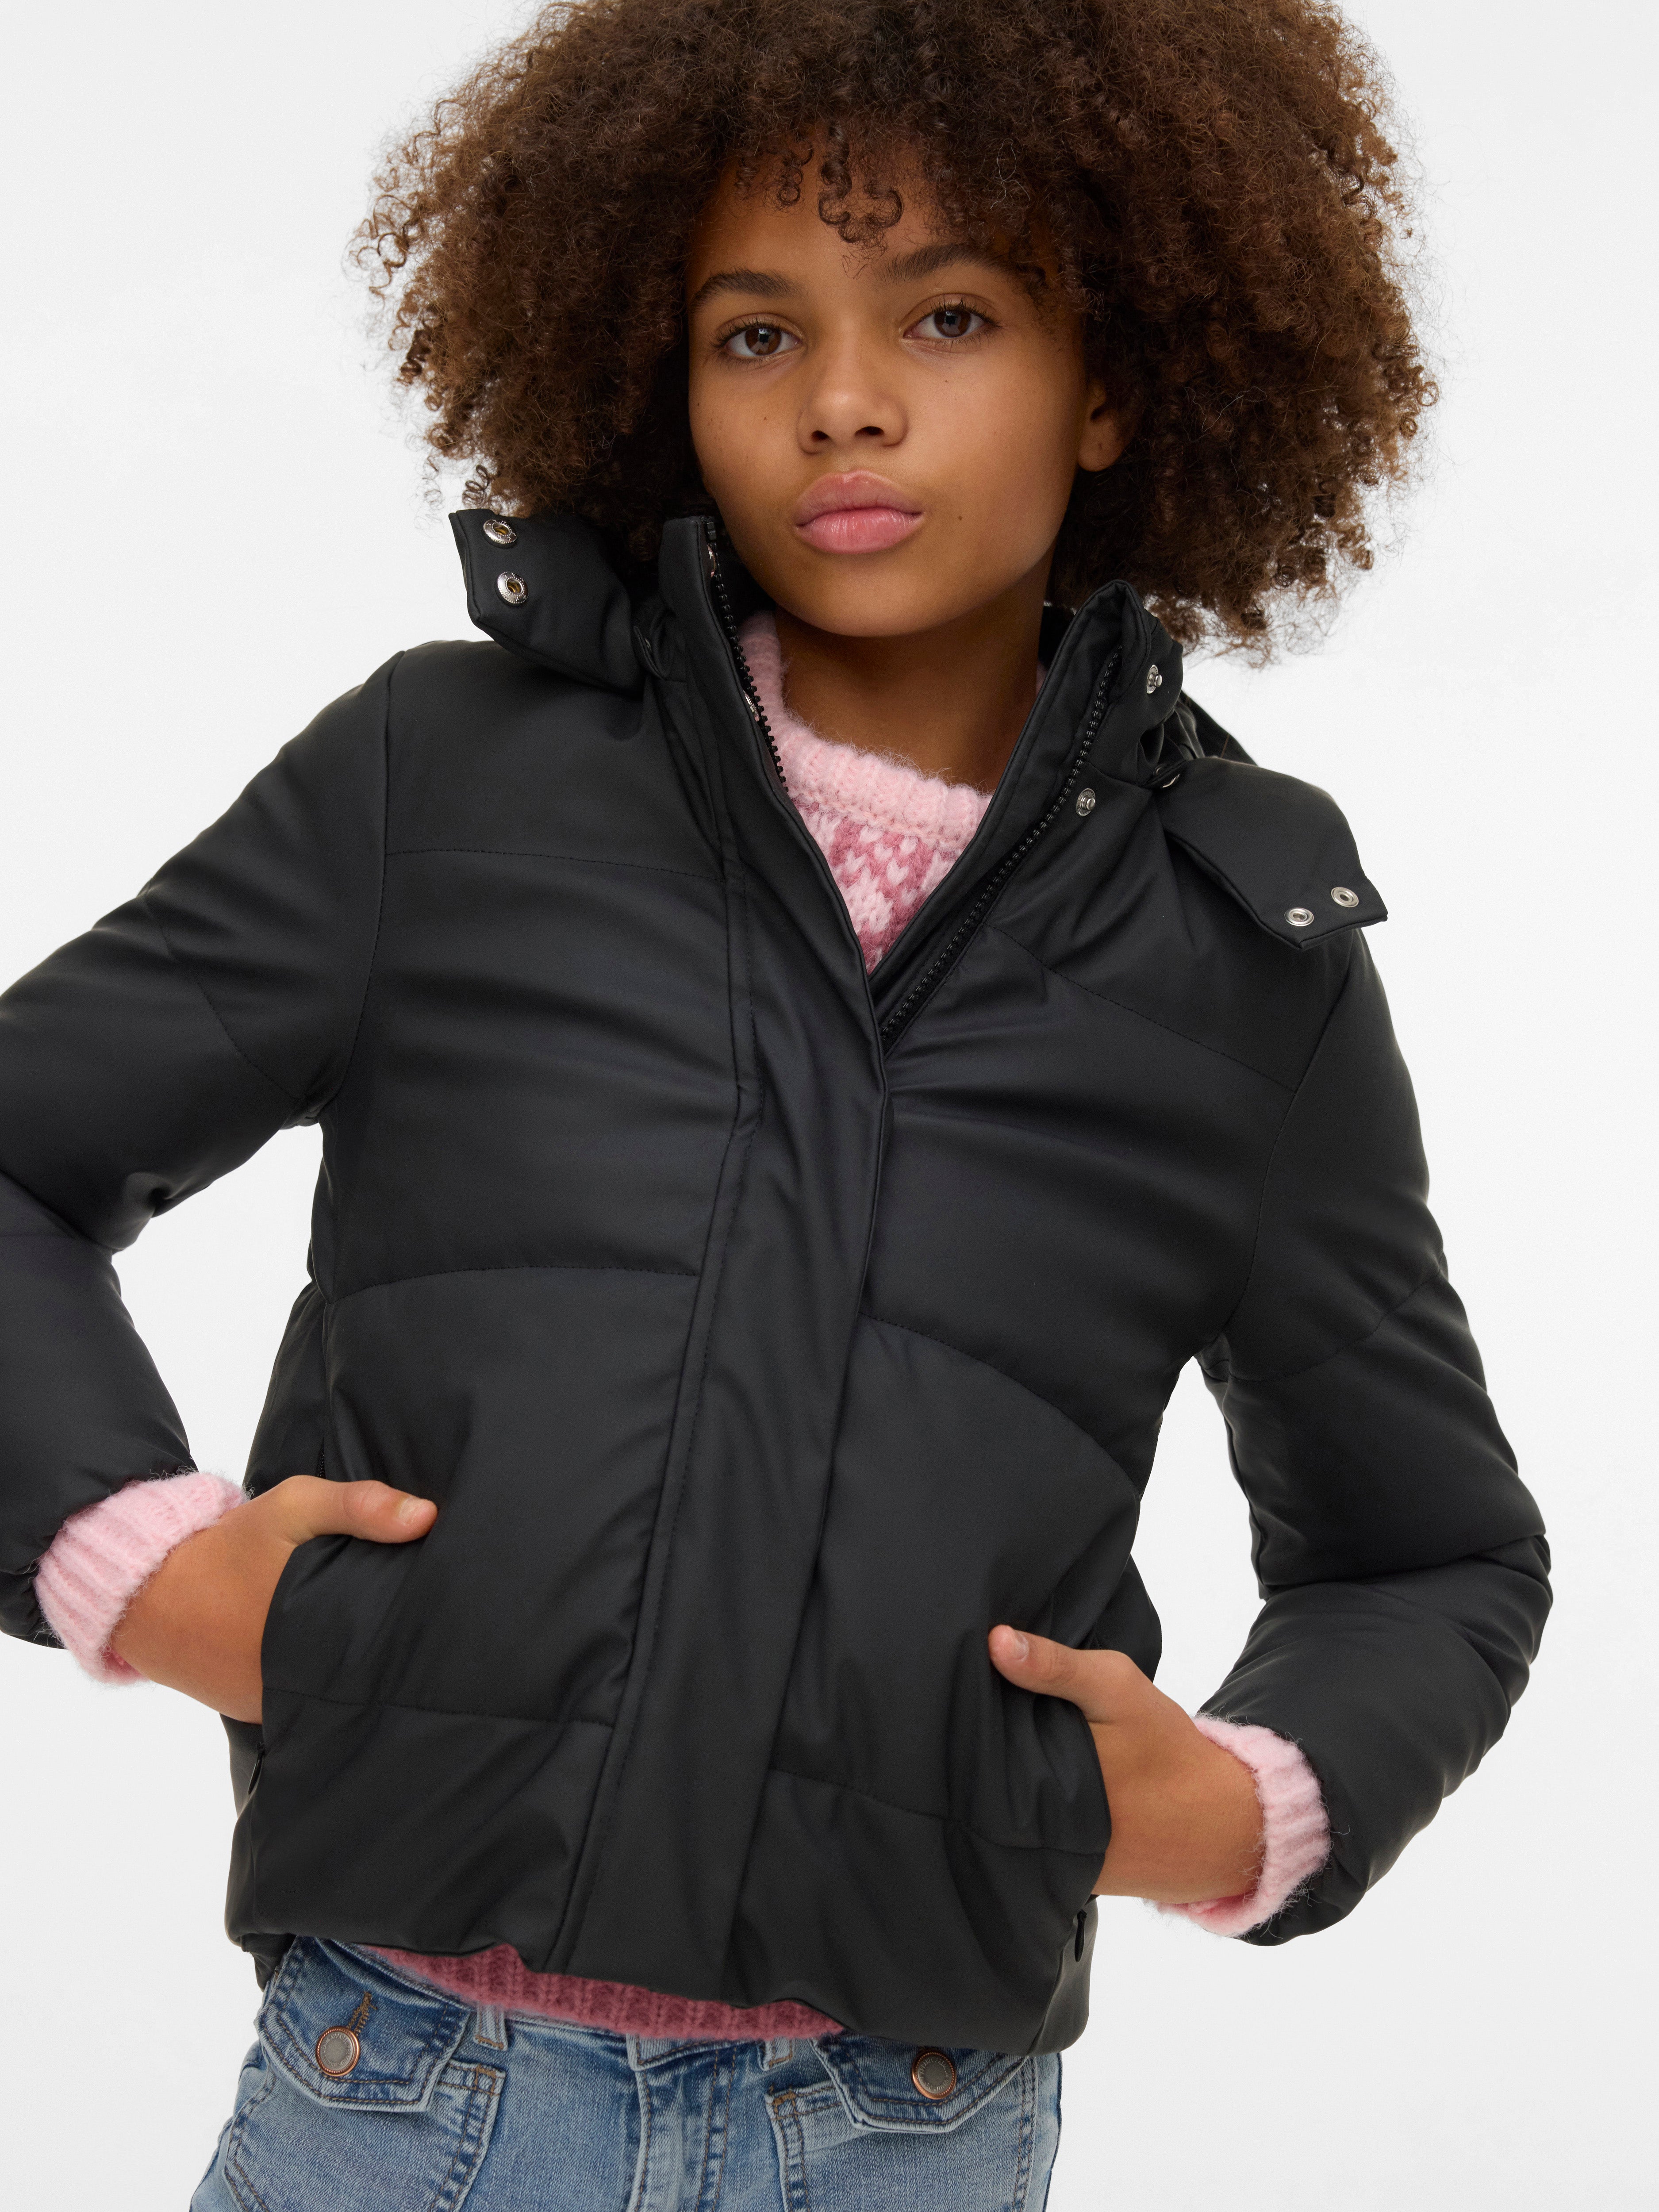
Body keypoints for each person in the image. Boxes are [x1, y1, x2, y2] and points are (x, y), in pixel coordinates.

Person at [0, 1, 1550, 2205]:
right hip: (402, 2089)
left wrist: (1251, 1802)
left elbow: (1431, 1549)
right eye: (755, 332)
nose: (842, 397)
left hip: (906, 2129)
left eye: (948, 313)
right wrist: (136, 1566)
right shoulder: (444, 783)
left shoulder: (1238, 958)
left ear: (1112, 380)